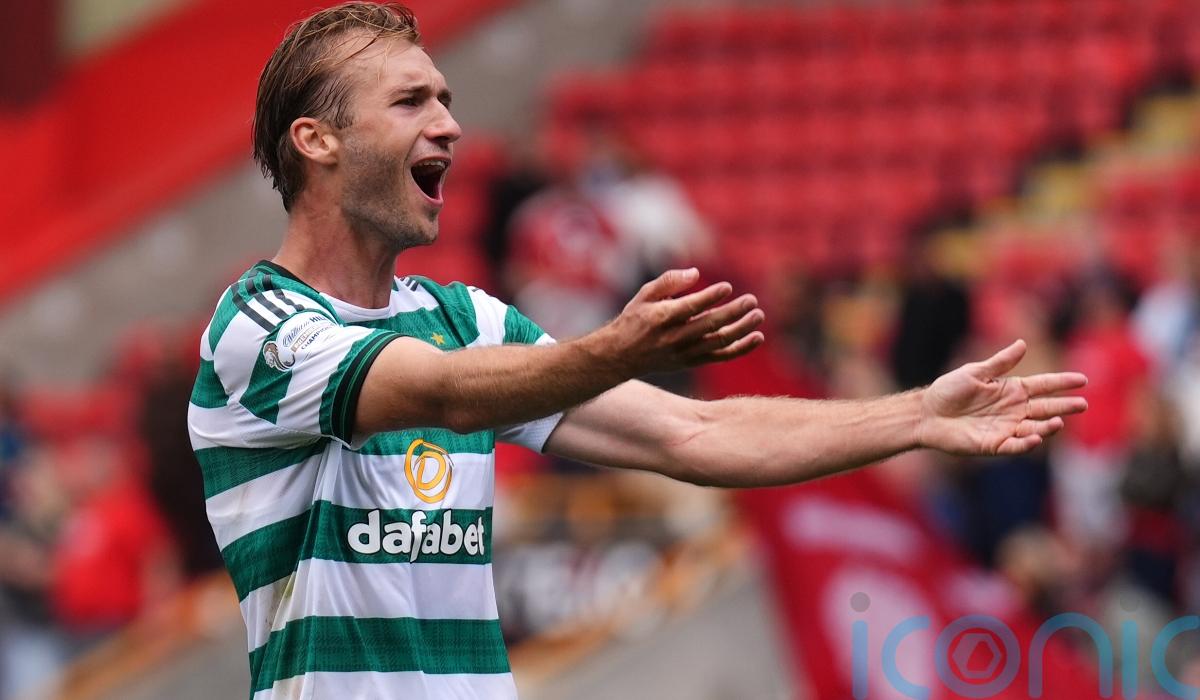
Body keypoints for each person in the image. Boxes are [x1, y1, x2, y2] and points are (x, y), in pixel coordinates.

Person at [186, 4, 1089, 698]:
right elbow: (443, 395)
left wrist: (915, 415)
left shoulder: (462, 319)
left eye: (448, 101)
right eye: (412, 100)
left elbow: (695, 436)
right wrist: (614, 349)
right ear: (318, 141)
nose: (450, 125)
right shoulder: (256, 327)